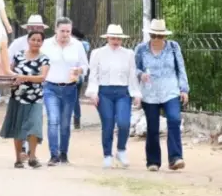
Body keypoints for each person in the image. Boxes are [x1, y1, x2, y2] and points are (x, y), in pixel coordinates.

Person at [134, 19, 188, 172]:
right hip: (150, 93)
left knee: (174, 119)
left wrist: (184, 89)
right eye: (154, 36)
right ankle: (153, 161)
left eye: (160, 36)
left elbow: (181, 68)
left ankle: (175, 157)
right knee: (152, 127)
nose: (157, 39)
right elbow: (134, 69)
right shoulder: (141, 49)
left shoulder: (173, 47)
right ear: (150, 35)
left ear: (164, 36)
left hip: (170, 90)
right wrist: (141, 74)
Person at [86, 25, 141, 169]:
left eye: (118, 38)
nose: (115, 41)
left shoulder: (128, 54)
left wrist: (136, 93)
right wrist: (93, 92)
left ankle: (121, 150)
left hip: (123, 92)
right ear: (108, 38)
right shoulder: (97, 53)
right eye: (113, 38)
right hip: (104, 92)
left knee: (124, 123)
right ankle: (107, 155)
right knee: (108, 123)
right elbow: (93, 75)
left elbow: (132, 75)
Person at [40, 17, 89, 166]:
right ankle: (53, 154)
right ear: (56, 30)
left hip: (70, 88)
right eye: (62, 31)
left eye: (68, 31)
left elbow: (85, 66)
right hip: (50, 87)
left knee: (65, 123)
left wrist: (79, 70)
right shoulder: (46, 44)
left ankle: (63, 153)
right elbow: (39, 63)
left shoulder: (77, 45)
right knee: (53, 120)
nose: (65, 34)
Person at [0, 31, 49, 169]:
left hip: (35, 97)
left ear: (42, 43)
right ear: (28, 40)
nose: (36, 42)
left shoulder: (44, 58)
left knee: (34, 126)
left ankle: (32, 156)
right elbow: (10, 72)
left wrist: (24, 78)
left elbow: (42, 77)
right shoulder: (18, 55)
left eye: (39, 40)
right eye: (33, 39)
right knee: (18, 127)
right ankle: (18, 158)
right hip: (18, 96)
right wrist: (14, 79)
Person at [72, 28, 92, 130]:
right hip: (81, 75)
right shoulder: (85, 44)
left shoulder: (73, 44)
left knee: (73, 98)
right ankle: (77, 119)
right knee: (76, 98)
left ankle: (75, 118)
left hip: (73, 74)